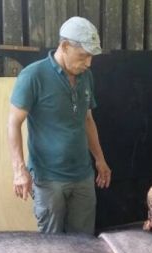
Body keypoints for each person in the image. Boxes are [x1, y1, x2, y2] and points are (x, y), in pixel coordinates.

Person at [8, 17, 112, 234]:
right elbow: (14, 123)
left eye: (91, 56)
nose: (88, 62)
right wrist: (19, 169)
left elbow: (87, 120)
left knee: (83, 243)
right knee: (52, 247)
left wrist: (100, 159)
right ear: (64, 46)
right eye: (83, 56)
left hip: (82, 175)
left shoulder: (86, 77)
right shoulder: (33, 76)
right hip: (48, 178)